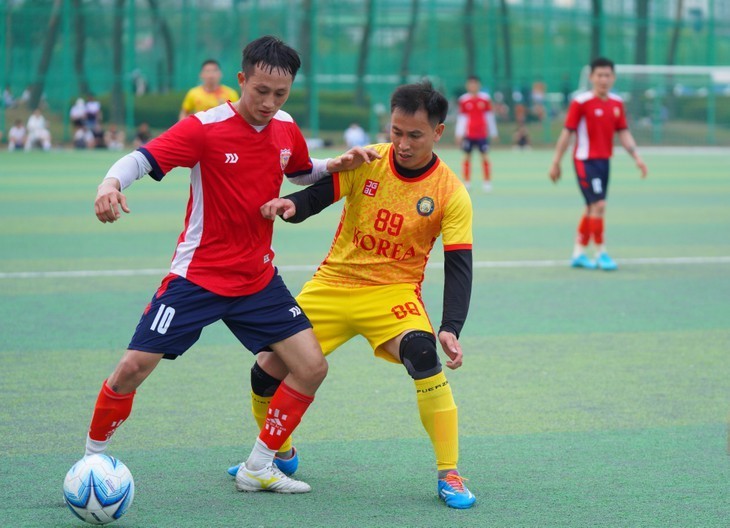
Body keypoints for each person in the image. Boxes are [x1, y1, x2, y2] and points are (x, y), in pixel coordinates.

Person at [87, 35, 378, 494]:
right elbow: (140, 159)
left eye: (280, 94)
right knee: (131, 368)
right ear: (241, 80)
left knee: (312, 367)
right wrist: (109, 184)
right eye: (260, 90)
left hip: (258, 279)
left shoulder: (285, 126)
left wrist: (334, 164)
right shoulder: (205, 127)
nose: (269, 102)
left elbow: (299, 171)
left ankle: (258, 466)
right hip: (197, 278)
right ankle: (91, 461)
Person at [229, 81, 476, 509]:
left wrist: (451, 326)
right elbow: (321, 194)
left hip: (392, 293)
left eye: (414, 135)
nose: (401, 143)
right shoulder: (369, 160)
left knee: (423, 355)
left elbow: (458, 265)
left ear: (438, 133)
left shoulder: (450, 192)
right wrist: (292, 206)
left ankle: (448, 471)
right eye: (396, 131)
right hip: (333, 285)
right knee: (265, 369)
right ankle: (277, 453)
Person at [549, 57, 648, 271]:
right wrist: (556, 162)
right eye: (599, 75)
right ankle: (601, 253)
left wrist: (637, 158)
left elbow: (623, 132)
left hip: (604, 161)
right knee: (599, 206)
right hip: (585, 161)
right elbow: (567, 133)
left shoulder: (616, 103)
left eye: (607, 75)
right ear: (591, 77)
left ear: (613, 78)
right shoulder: (581, 102)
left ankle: (578, 253)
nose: (604, 79)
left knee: (591, 207)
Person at [455, 75, 498, 192]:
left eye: (475, 84)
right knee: (467, 157)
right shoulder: (464, 100)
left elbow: (489, 117)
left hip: (482, 134)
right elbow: (462, 118)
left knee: (484, 157)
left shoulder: (485, 99)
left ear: (479, 85)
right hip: (469, 134)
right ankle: (467, 182)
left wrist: (493, 132)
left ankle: (487, 182)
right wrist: (459, 133)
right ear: (467, 85)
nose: (473, 86)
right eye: (470, 84)